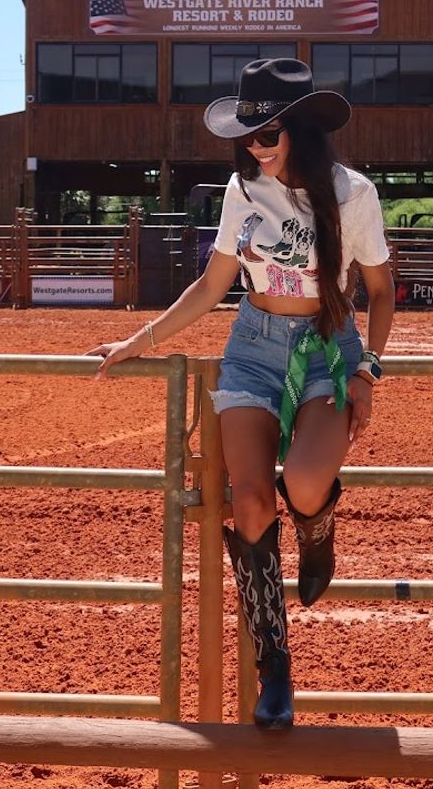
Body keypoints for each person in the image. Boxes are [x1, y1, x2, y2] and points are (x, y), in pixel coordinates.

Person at [88, 58, 395, 729]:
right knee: (250, 500)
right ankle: (274, 665)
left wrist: (368, 370)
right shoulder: (241, 189)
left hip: (327, 345)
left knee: (306, 485)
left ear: (300, 129)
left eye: (268, 134)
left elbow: (380, 290)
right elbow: (212, 285)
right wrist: (138, 341)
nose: (255, 147)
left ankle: (317, 529)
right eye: (247, 136)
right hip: (253, 346)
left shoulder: (353, 194)